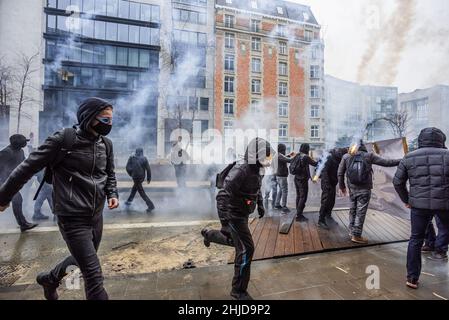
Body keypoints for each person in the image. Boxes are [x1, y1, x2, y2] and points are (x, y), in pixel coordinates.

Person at [0, 97, 119, 300]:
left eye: (111, 120)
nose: (110, 124)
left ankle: (50, 279)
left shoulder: (106, 144)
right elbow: (26, 169)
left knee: (79, 261)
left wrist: (112, 193)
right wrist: (4, 197)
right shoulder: (64, 139)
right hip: (72, 217)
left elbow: (109, 173)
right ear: (89, 117)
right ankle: (52, 280)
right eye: (105, 119)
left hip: (96, 216)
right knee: (93, 274)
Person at [201, 138, 273, 300]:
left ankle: (208, 234)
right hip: (233, 215)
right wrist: (225, 223)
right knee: (247, 249)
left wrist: (260, 205)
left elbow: (256, 188)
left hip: (243, 212)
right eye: (266, 155)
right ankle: (238, 290)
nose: (268, 159)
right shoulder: (242, 169)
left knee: (235, 243)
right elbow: (222, 196)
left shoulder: (257, 169)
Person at [393, 127, 449, 289]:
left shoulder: (408, 157)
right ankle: (439, 248)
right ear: (441, 140)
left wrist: (407, 199)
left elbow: (397, 182)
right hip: (445, 204)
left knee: (415, 239)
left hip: (418, 206)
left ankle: (412, 278)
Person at [338, 141, 400, 245]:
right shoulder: (368, 156)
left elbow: (340, 173)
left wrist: (342, 186)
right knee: (360, 212)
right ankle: (356, 235)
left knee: (353, 209)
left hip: (352, 188)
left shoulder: (346, 156)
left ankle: (352, 231)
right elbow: (387, 163)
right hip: (364, 189)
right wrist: (403, 160)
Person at [0, 134, 38, 232]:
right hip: (4, 182)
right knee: (15, 201)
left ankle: (23, 224)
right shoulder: (6, 152)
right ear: (18, 142)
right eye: (24, 141)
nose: (26, 143)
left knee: (17, 200)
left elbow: (24, 164)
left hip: (11, 182)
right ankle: (23, 224)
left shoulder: (20, 151)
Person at [318, 148, 348, 230]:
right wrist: (327, 184)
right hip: (326, 182)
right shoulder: (329, 157)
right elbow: (324, 171)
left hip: (332, 182)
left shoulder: (340, 158)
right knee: (325, 201)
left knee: (331, 201)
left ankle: (328, 216)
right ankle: (321, 220)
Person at [291, 143, 317, 222]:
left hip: (296, 178)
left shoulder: (297, 155)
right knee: (303, 197)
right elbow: (315, 164)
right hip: (302, 180)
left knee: (299, 196)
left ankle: (298, 213)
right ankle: (299, 216)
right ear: (307, 149)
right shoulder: (305, 157)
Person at [125, 148, 155, 213]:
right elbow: (148, 169)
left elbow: (127, 167)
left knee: (141, 193)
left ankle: (151, 205)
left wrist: (131, 173)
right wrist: (148, 178)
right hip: (141, 177)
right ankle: (128, 202)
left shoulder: (132, 157)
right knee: (134, 189)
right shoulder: (144, 158)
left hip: (135, 177)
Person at [273, 144, 295, 213]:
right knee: (285, 190)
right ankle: (284, 206)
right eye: (284, 149)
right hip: (282, 176)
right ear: (282, 149)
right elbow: (289, 160)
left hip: (278, 175)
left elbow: (284, 157)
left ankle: (277, 204)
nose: (285, 151)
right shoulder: (279, 155)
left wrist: (289, 155)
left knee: (281, 190)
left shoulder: (277, 155)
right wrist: (296, 156)